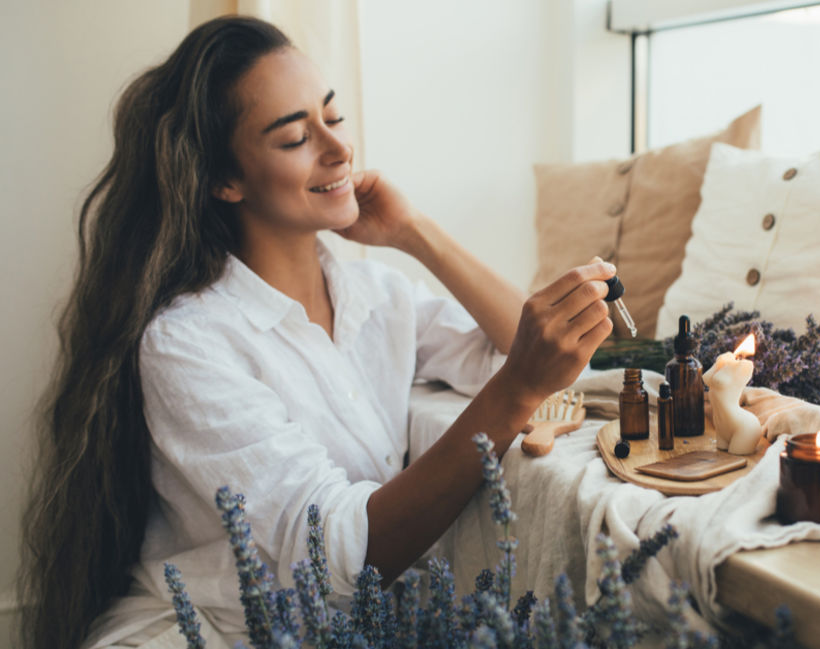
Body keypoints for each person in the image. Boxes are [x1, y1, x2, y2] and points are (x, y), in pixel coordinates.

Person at [19, 16, 614, 649]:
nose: (337, 149)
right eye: (296, 137)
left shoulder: (375, 296)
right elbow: (343, 553)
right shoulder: (187, 343)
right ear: (225, 179)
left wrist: (416, 234)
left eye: (334, 117)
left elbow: (523, 352)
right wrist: (519, 385)